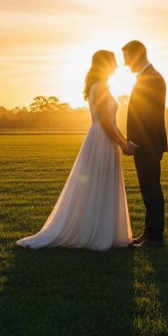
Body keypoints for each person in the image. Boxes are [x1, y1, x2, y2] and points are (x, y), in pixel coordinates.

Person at [16, 50, 136, 251]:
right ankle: (96, 233)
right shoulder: (99, 88)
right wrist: (122, 143)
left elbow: (112, 123)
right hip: (101, 139)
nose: (117, 66)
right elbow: (106, 123)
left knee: (104, 183)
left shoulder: (101, 87)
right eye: (113, 62)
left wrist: (125, 141)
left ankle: (104, 230)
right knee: (99, 183)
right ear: (105, 65)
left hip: (105, 139)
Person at [122, 40, 168, 248]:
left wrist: (134, 142)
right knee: (148, 189)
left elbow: (147, 115)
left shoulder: (151, 79)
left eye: (126, 58)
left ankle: (155, 237)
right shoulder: (148, 77)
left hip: (147, 143)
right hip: (146, 143)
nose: (125, 64)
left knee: (151, 190)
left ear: (137, 55)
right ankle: (149, 233)